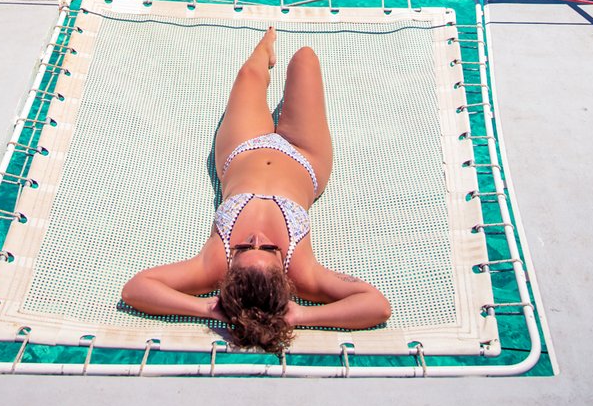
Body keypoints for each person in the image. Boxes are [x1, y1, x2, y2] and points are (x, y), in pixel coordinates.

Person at [122, 26, 391, 354]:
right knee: (305, 61)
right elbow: (376, 305)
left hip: (242, 148)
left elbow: (136, 289)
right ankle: (278, 57)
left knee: (250, 73)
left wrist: (208, 309)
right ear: (285, 280)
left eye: (244, 248)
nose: (258, 239)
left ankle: (266, 47)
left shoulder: (214, 265)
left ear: (230, 272)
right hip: (304, 155)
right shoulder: (302, 273)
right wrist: (302, 315)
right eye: (269, 250)